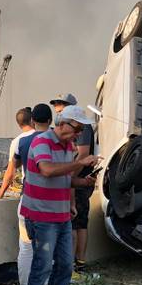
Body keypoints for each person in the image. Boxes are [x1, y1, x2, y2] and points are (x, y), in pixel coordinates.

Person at [21, 105, 100, 285]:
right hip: (41, 216)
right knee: (42, 267)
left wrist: (82, 182)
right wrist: (80, 163)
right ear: (63, 123)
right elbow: (47, 170)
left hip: (61, 215)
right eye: (77, 129)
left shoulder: (68, 147)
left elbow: (62, 177)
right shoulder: (42, 142)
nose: (78, 134)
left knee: (65, 265)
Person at [9, 104, 53, 285]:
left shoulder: (22, 142)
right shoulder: (59, 141)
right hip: (52, 203)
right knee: (48, 251)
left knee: (26, 249)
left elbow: (12, 169)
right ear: (51, 121)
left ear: (32, 121)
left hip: (28, 202)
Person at [50, 93, 96, 271]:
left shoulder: (79, 127)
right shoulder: (54, 137)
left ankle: (77, 264)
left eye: (62, 105)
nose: (58, 109)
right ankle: (76, 264)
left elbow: (83, 154)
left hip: (78, 182)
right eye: (56, 105)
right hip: (77, 180)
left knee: (77, 223)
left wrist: (71, 179)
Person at [0, 107, 34, 199]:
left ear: (19, 124)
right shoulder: (43, 136)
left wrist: (0, 194)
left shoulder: (17, 141)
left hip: (29, 189)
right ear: (32, 120)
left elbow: (11, 171)